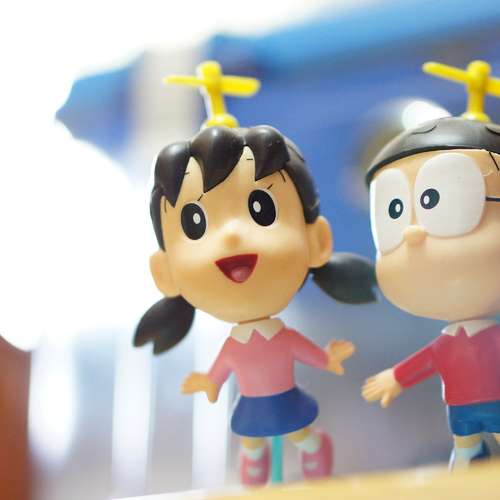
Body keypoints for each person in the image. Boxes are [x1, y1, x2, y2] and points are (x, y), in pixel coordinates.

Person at [135, 61, 376, 486]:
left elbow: (306, 352)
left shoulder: (280, 337)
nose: (231, 236)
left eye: (261, 210)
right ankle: (254, 483)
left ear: (317, 240)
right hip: (252, 407)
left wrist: (329, 358)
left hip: (286, 401)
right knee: (251, 443)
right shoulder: (236, 344)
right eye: (196, 224)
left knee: (298, 434)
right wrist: (207, 383)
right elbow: (220, 371)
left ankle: (313, 453)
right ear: (166, 272)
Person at [363, 60, 500, 469]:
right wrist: (395, 378)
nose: (412, 233)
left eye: (439, 201)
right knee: (465, 452)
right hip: (460, 411)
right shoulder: (448, 342)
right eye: (394, 212)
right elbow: (428, 360)